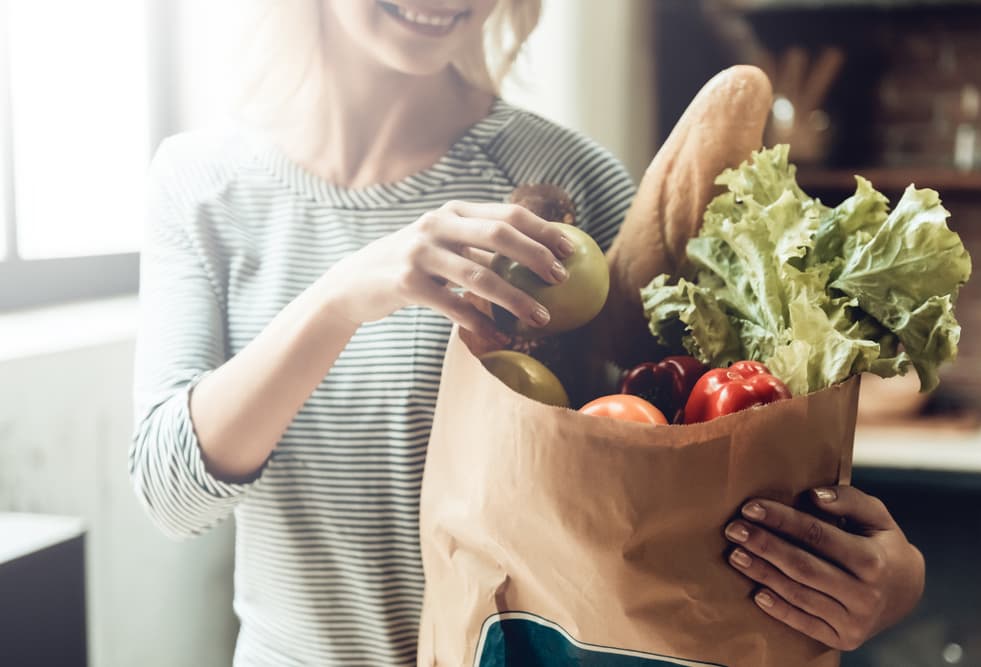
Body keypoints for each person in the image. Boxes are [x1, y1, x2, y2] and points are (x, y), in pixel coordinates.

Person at [129, 1, 924, 664]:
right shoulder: (201, 185)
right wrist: (345, 293)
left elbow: (691, 468)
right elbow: (169, 493)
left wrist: (886, 576)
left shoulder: (571, 179)